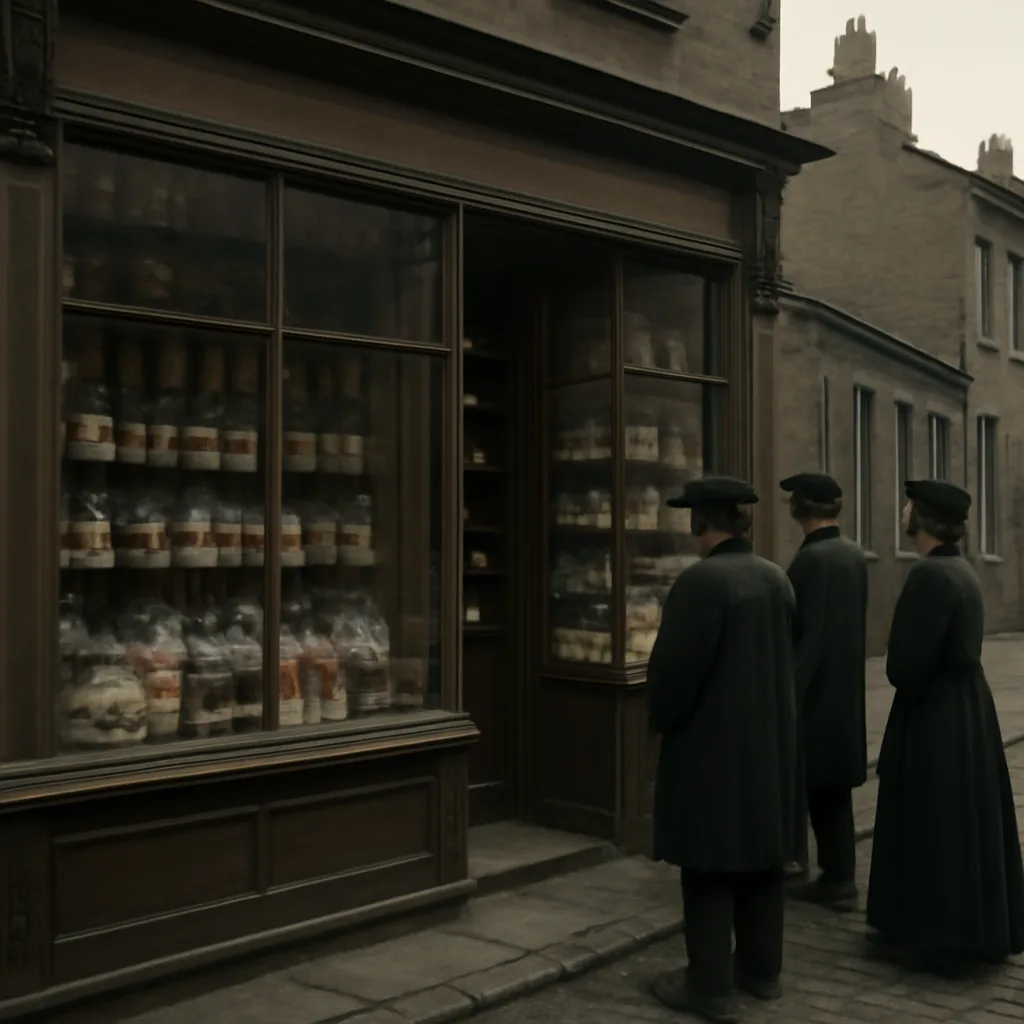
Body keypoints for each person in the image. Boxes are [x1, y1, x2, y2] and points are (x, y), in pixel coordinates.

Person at [648, 476, 797, 1024]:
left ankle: (708, 983)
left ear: (699, 521)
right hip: (770, 744)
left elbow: (673, 674)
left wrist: (660, 719)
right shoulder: (776, 579)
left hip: (713, 748)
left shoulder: (703, 583)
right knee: (762, 858)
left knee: (708, 862)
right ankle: (762, 971)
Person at [867, 479, 1024, 974]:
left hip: (936, 713)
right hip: (964, 708)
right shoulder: (960, 571)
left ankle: (936, 935)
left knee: (935, 819)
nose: (902, 511)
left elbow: (905, 665)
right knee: (959, 817)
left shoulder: (931, 576)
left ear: (924, 519)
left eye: (908, 504)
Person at [780, 472, 868, 912]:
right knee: (834, 792)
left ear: (801, 508)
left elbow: (800, 638)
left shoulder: (809, 563)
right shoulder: (853, 555)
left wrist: (785, 695)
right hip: (846, 692)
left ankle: (825, 876)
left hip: (812, 695)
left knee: (811, 786)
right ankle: (840, 877)